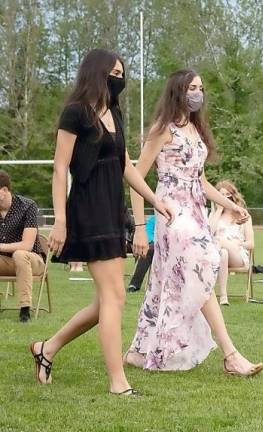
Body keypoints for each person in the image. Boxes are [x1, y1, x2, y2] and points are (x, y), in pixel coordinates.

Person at [30, 49, 172, 396]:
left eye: (122, 73)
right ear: (96, 73)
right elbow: (60, 168)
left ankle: (46, 349)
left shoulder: (116, 113)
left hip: (112, 210)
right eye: (113, 72)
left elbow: (125, 165)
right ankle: (118, 383)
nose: (118, 79)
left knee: (107, 300)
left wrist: (154, 199)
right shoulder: (75, 113)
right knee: (114, 297)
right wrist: (60, 221)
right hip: (86, 210)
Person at [124, 69, 263, 377]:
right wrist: (138, 228)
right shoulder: (163, 129)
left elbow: (201, 181)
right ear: (178, 91)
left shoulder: (195, 130)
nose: (198, 93)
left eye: (201, 87)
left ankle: (139, 350)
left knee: (168, 279)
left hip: (196, 211)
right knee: (203, 266)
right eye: (192, 88)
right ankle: (231, 354)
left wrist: (232, 205)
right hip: (171, 212)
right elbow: (135, 177)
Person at [0, 170, 46, 322]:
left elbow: (27, 245)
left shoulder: (27, 206)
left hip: (32, 260)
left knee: (20, 254)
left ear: (4, 190)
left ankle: (25, 310)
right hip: (5, 261)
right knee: (16, 255)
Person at [208, 180, 254, 306]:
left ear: (233, 196)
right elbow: (209, 233)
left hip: (238, 254)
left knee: (218, 241)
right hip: (219, 253)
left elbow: (251, 244)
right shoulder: (213, 214)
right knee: (223, 252)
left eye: (227, 195)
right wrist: (218, 211)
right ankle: (223, 296)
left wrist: (239, 244)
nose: (225, 198)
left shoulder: (243, 215)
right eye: (221, 195)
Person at [126, 214, 155, 293]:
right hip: (156, 246)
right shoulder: (153, 219)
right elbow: (148, 234)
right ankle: (134, 285)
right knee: (149, 250)